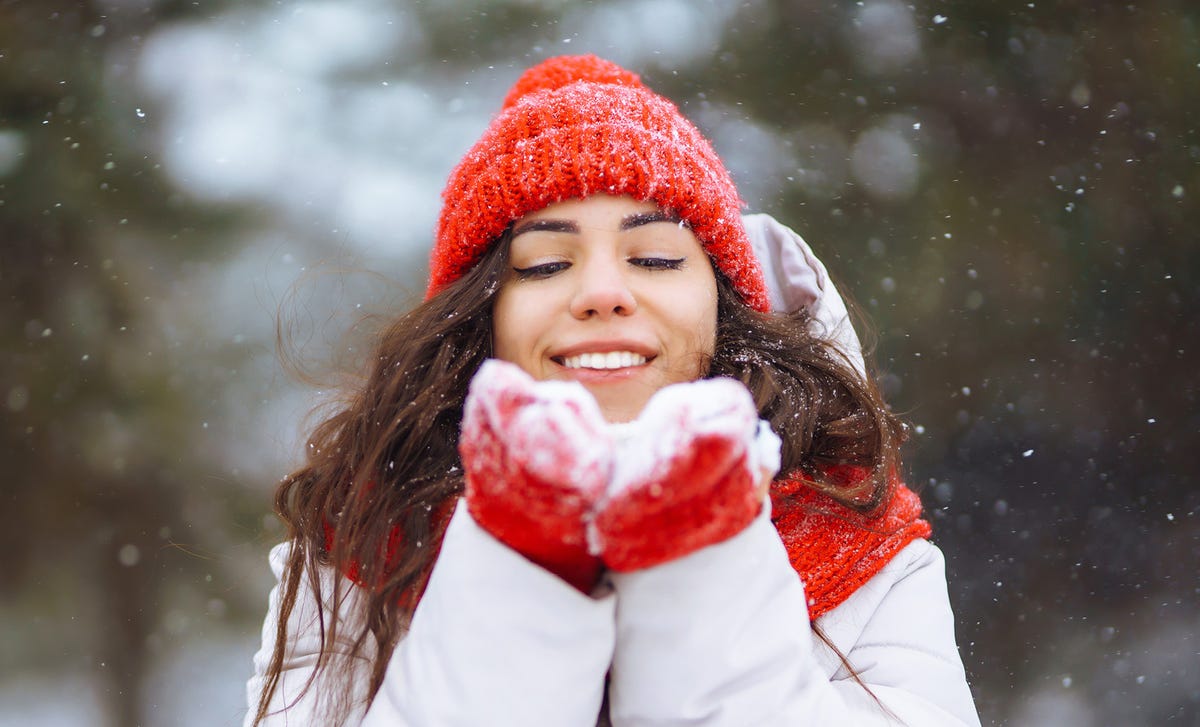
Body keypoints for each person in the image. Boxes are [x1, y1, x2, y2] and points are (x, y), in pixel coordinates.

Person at [244, 54, 981, 726]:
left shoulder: (858, 530)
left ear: (723, 308)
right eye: (543, 265)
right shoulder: (363, 540)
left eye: (655, 257)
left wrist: (701, 551)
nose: (603, 292)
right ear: (481, 318)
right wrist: (519, 559)